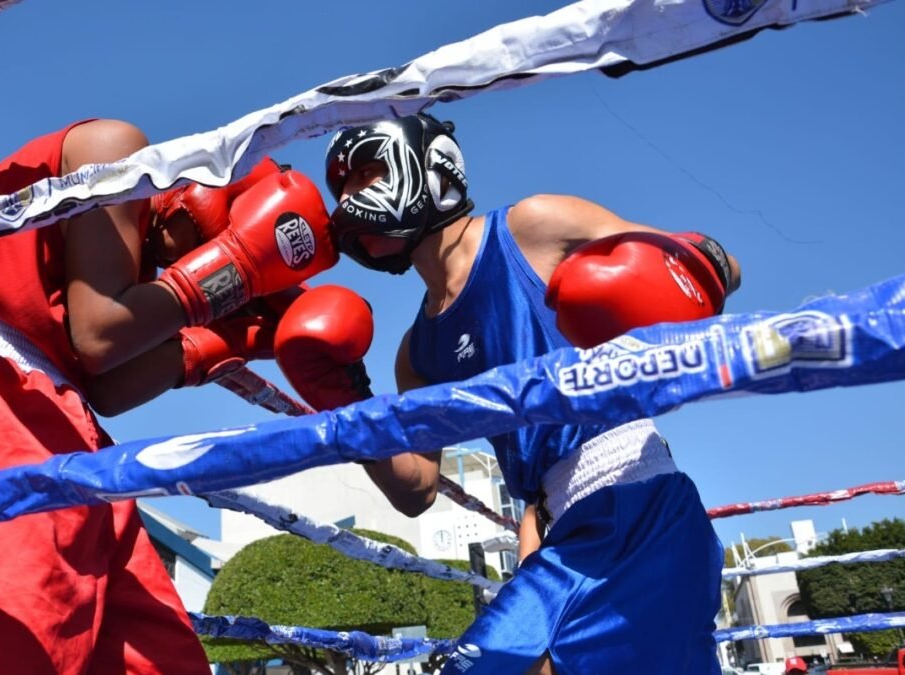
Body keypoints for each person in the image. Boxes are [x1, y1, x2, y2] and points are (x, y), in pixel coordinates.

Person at [278, 112, 743, 674]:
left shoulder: (532, 229)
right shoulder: (417, 353)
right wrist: (347, 404)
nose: (351, 197)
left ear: (428, 167)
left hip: (638, 500)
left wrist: (671, 277)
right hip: (554, 530)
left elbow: (717, 266)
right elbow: (416, 489)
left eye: (365, 173)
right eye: (342, 187)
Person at [0, 118, 336, 674]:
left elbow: (106, 389)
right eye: (214, 239)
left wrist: (236, 338)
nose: (191, 261)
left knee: (162, 657)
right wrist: (238, 269)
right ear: (202, 193)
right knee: (6, 646)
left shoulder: (135, 266)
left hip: (68, 428)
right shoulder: (114, 145)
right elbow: (99, 335)